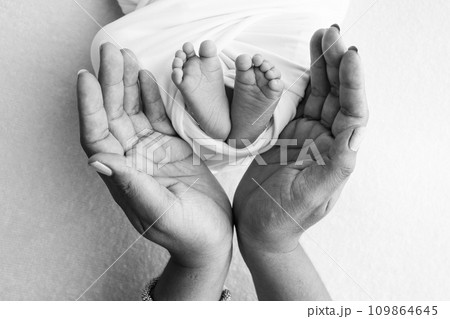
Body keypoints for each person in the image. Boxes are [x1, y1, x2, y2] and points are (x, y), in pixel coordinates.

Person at [76, 21, 368, 299]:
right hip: (193, 127)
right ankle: (240, 130)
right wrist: (272, 246)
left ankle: (227, 125)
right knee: (133, 50)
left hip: (179, 128)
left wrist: (202, 259)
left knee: (122, 50)